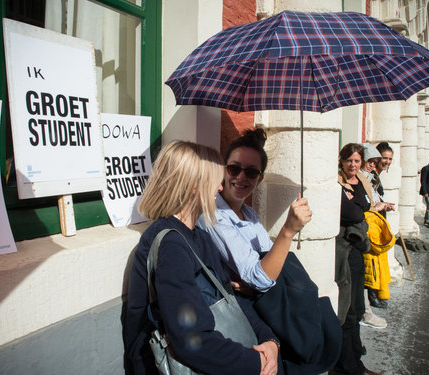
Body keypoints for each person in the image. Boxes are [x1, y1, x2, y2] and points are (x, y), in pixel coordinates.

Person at [124, 140, 280, 375]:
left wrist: (269, 340)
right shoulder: (170, 245)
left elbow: (230, 299)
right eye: (215, 181)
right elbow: (190, 341)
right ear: (194, 186)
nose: (219, 189)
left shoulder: (199, 237)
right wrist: (256, 363)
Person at [198, 129, 342, 375]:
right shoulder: (213, 215)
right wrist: (288, 231)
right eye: (234, 168)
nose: (241, 177)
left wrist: (256, 280)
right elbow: (260, 277)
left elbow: (262, 273)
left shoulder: (250, 215)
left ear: (259, 179)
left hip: (266, 307)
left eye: (251, 172)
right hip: (245, 314)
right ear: (223, 169)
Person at [334, 143, 388, 375]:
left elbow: (367, 207)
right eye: (349, 161)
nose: (353, 165)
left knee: (357, 306)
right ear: (342, 161)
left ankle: (356, 359)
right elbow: (356, 213)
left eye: (357, 161)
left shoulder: (363, 182)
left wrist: (367, 210)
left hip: (361, 250)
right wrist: (366, 211)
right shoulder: (337, 183)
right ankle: (347, 366)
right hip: (344, 251)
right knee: (347, 310)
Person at [358, 144, 388, 329]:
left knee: (367, 273)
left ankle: (367, 307)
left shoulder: (369, 179)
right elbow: (362, 206)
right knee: (363, 273)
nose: (371, 165)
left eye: (373, 162)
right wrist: (375, 208)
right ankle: (365, 312)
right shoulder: (357, 180)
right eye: (369, 161)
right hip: (360, 233)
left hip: (370, 232)